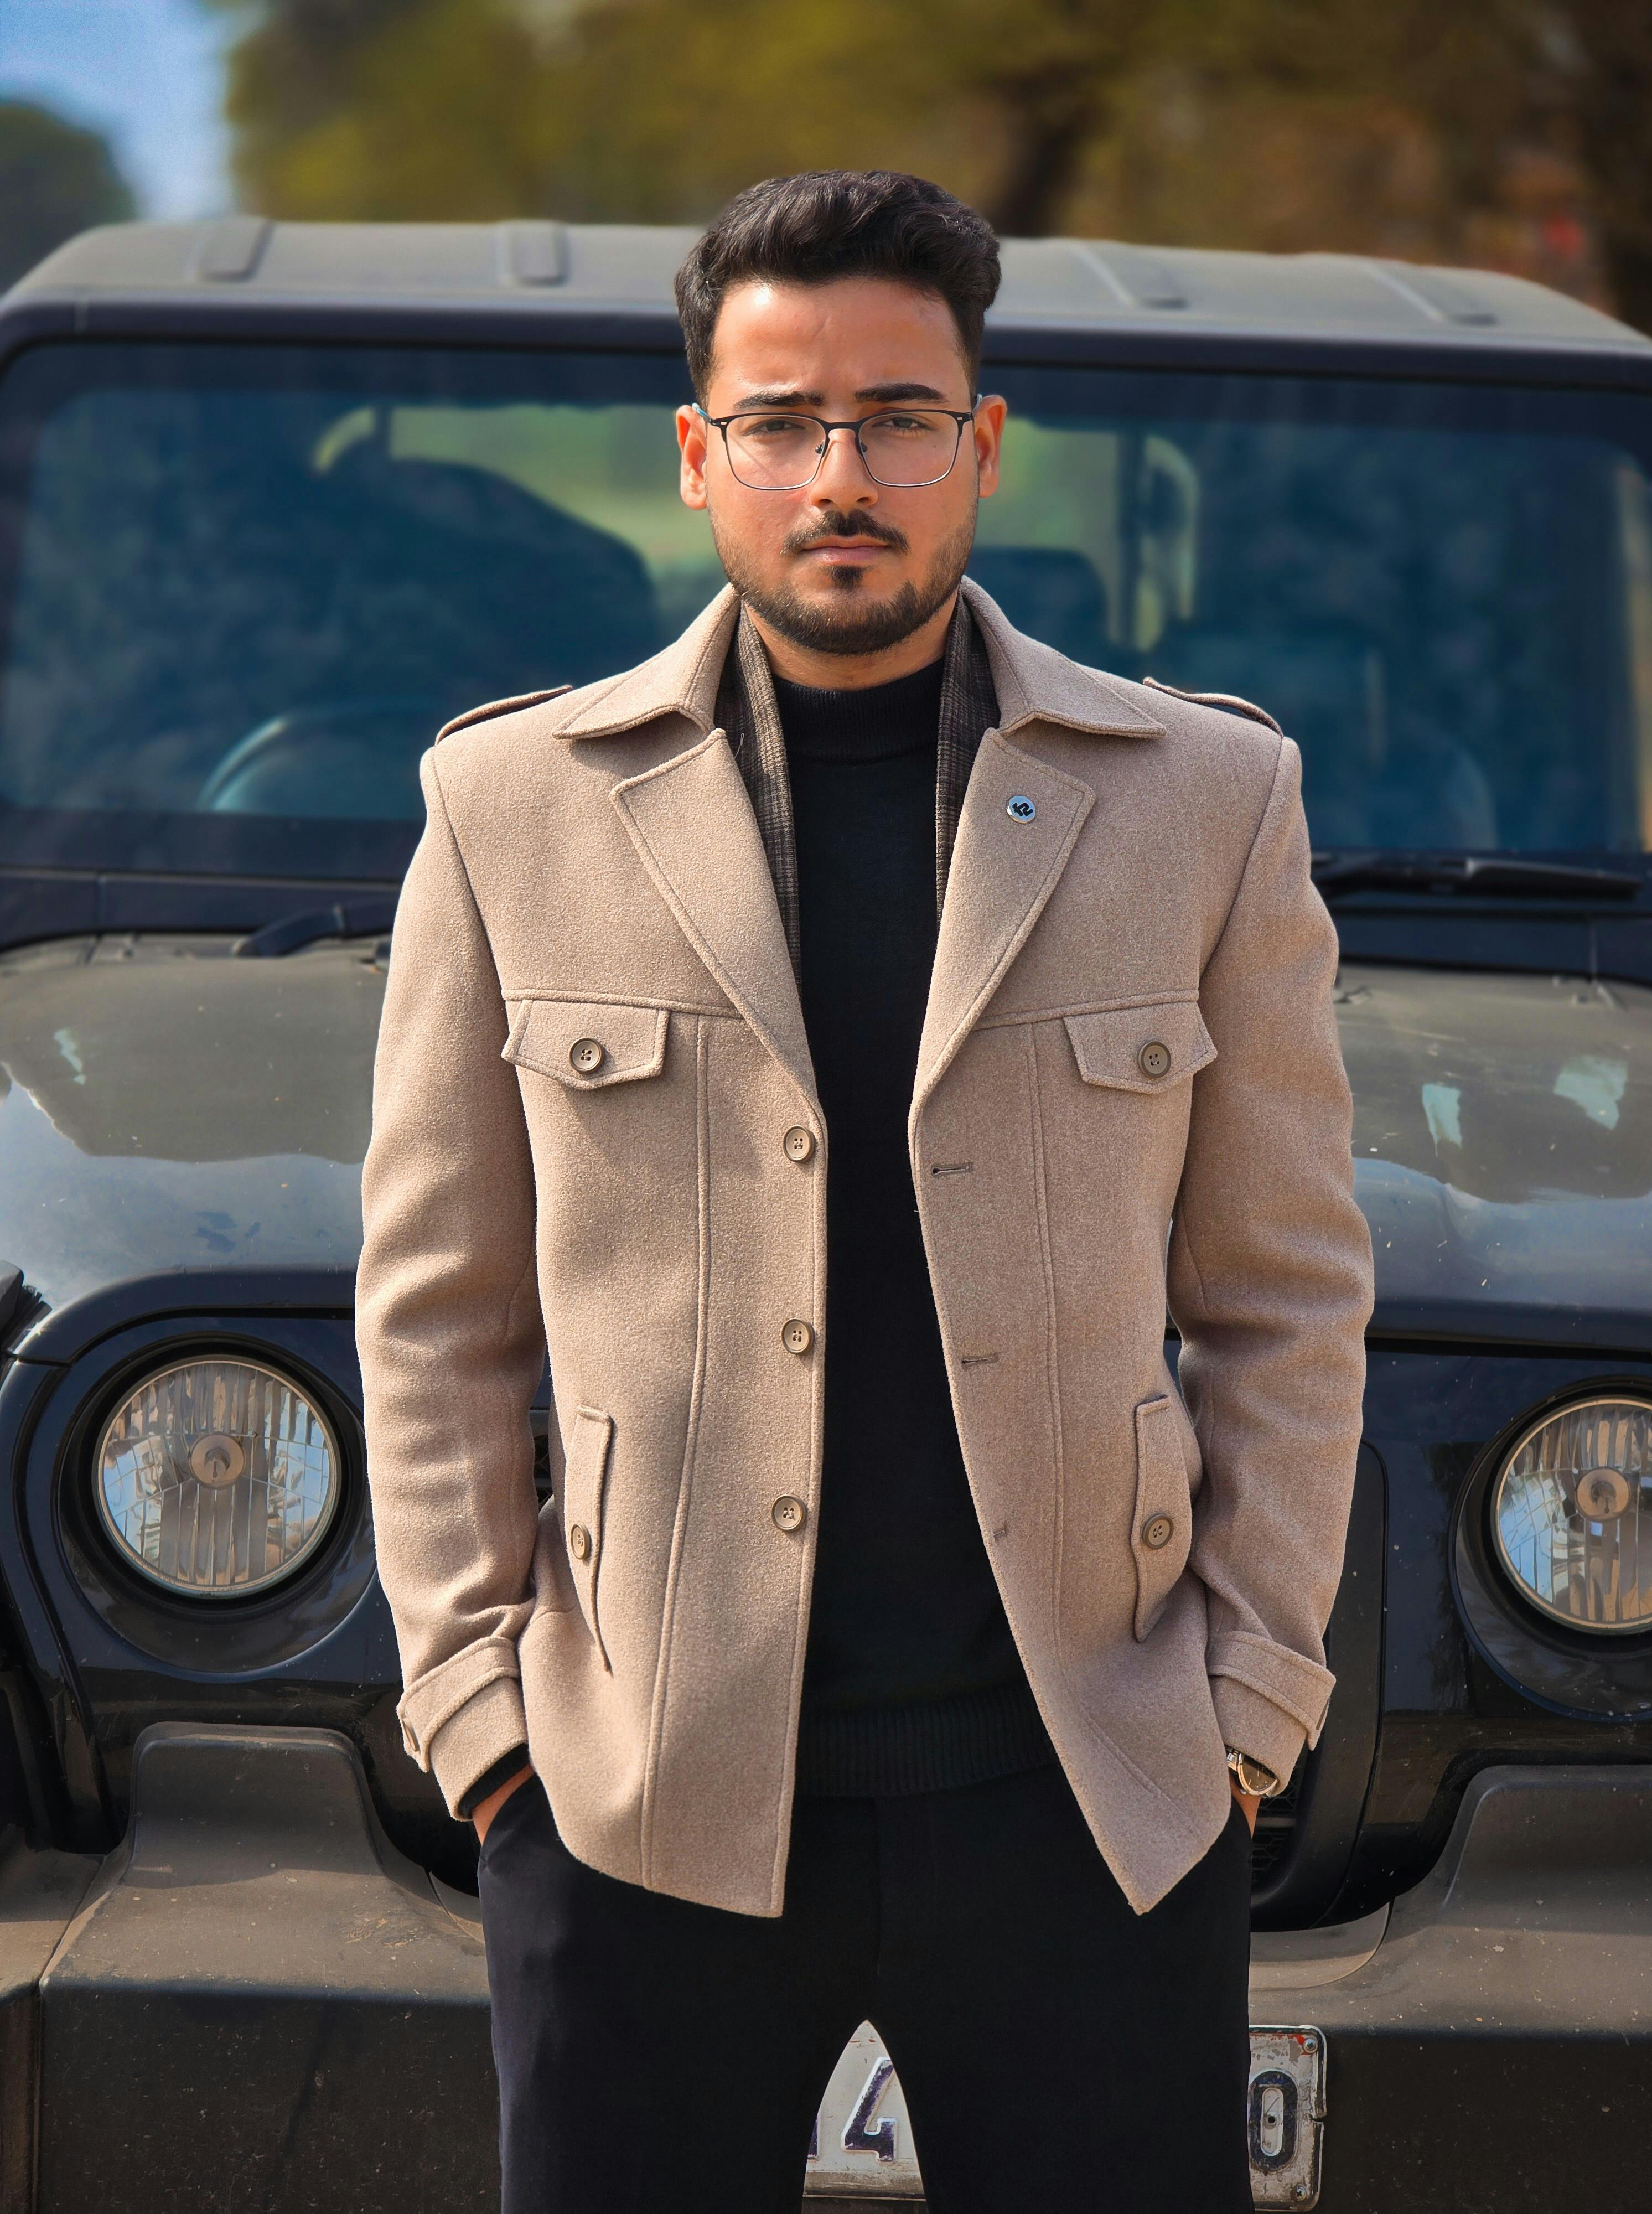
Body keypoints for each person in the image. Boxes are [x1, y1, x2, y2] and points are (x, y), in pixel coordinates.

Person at [356, 168, 1373, 2214]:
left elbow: (1287, 1289)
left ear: (981, 445)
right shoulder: (509, 808)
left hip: (1087, 1798)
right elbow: (437, 1299)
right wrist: (481, 1711)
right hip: (641, 1803)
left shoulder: (1203, 804)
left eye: (903, 415)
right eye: (786, 421)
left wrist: (1248, 1699)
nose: (846, 472)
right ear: (698, 456)